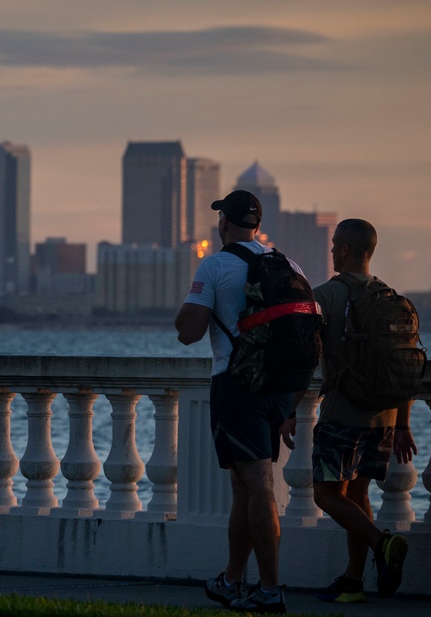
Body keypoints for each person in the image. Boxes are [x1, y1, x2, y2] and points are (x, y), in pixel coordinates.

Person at [175, 189, 313, 615]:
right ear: (257, 223)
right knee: (243, 486)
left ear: (224, 224)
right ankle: (232, 580)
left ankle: (270, 589)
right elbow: (307, 335)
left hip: (238, 387)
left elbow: (189, 331)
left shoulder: (215, 264)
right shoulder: (289, 263)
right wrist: (291, 405)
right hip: (280, 390)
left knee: (257, 484)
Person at [280, 218, 416, 603]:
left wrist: (289, 410)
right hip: (384, 418)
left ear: (343, 249)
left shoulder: (323, 296)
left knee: (326, 495)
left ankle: (381, 542)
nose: (331, 250)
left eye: (335, 244)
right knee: (357, 496)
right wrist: (402, 424)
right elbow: (403, 366)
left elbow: (305, 360)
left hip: (343, 414)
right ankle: (354, 582)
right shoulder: (391, 298)